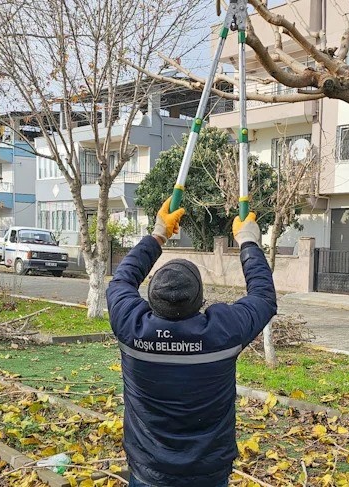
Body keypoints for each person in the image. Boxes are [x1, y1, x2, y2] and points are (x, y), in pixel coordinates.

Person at [106, 197, 277, 487]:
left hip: (148, 472)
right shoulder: (222, 333)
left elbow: (121, 280)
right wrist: (248, 242)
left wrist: (158, 234)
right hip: (207, 474)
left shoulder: (131, 326)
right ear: (200, 301)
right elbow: (263, 297)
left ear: (151, 299)